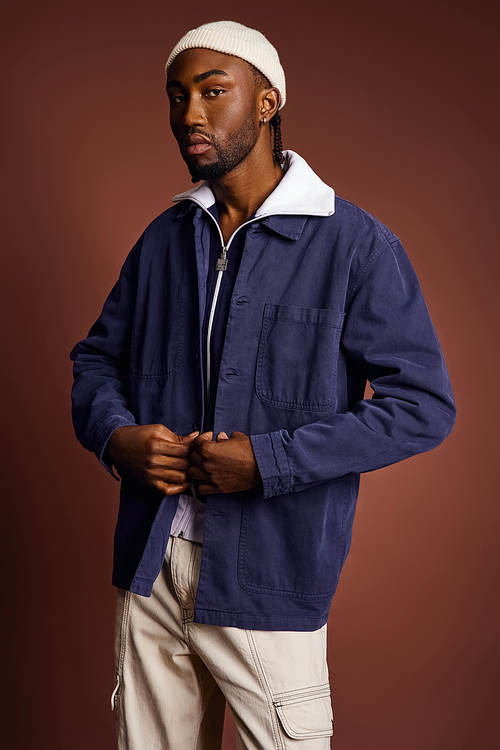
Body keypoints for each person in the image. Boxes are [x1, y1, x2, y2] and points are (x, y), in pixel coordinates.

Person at [70, 20, 456, 750]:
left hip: (270, 576)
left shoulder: (356, 245)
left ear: (268, 101)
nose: (190, 114)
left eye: (214, 92)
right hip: (152, 567)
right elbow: (96, 361)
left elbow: (423, 408)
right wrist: (117, 438)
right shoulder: (163, 238)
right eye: (177, 96)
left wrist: (269, 461)